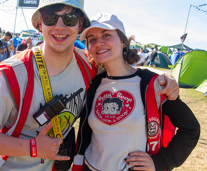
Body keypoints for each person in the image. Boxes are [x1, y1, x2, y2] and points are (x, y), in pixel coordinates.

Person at [0, 1, 179, 170]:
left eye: (68, 19)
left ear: (80, 26)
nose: (59, 26)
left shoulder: (88, 65)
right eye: (51, 18)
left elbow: (123, 68)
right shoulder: (14, 74)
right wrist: (32, 147)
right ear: (40, 24)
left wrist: (166, 79)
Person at [73, 13, 200, 171]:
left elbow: (190, 128)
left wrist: (161, 162)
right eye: (92, 39)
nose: (98, 43)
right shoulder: (93, 84)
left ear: (122, 41)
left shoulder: (152, 84)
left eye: (106, 35)